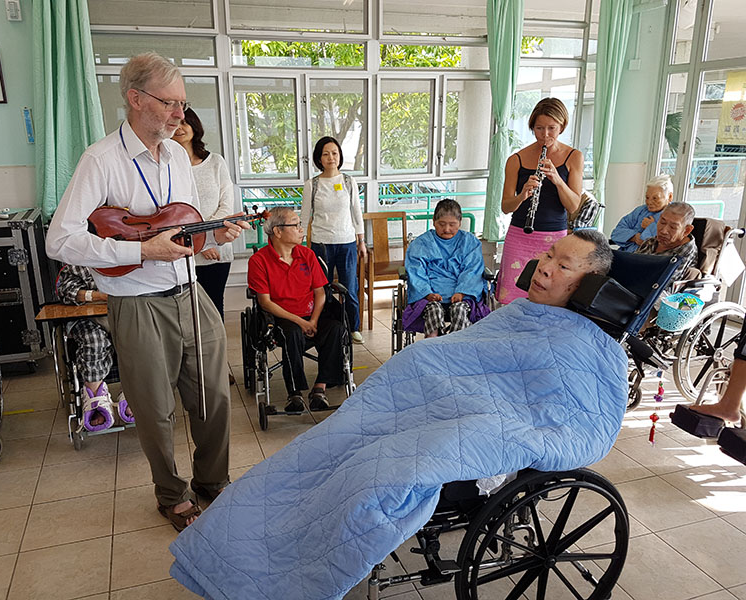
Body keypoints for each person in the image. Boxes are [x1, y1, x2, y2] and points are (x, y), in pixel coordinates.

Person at [170, 230, 625, 600]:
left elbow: (570, 415)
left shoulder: (588, 345)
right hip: (424, 400)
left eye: (563, 265)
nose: (544, 266)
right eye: (548, 254)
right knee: (333, 443)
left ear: (589, 283)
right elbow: (463, 353)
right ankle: (236, 541)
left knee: (373, 477)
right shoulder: (522, 312)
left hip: (480, 425)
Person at [46, 52, 249, 532]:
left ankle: (212, 480)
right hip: (136, 301)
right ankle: (172, 494)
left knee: (214, 398)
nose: (181, 114)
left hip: (190, 291)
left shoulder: (177, 155)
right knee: (155, 410)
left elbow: (183, 228)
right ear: (135, 99)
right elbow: (60, 240)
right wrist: (139, 251)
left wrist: (213, 234)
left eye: (183, 103)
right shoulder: (100, 160)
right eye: (169, 102)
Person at [247, 207, 347, 413]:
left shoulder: (307, 255)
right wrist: (300, 322)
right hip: (280, 317)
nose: (301, 229)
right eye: (296, 225)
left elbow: (320, 292)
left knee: (335, 328)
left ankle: (320, 388)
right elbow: (265, 302)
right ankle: (294, 393)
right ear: (277, 231)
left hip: (312, 314)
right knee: (291, 333)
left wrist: (314, 320)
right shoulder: (259, 261)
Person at [497, 97, 584, 304]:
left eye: (551, 128)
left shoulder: (574, 157)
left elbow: (573, 206)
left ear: (562, 126)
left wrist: (557, 180)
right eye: (539, 128)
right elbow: (506, 207)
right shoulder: (516, 159)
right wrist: (522, 195)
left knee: (549, 297)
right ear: (532, 127)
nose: (545, 135)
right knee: (511, 297)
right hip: (519, 236)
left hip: (554, 239)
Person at [172, 107, 237, 385]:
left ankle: (218, 368)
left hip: (217, 252)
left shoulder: (215, 162)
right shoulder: (167, 166)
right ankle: (192, 371)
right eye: (175, 123)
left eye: (185, 122)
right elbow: (171, 213)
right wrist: (199, 244)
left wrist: (209, 237)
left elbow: (226, 205)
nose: (180, 128)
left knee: (213, 313)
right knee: (186, 316)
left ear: (194, 126)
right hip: (183, 252)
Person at [300, 136, 366, 344]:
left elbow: (356, 212)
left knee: (350, 287)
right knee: (322, 288)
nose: (331, 157)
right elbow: (304, 216)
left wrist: (361, 240)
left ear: (340, 156)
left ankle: (353, 327)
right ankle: (327, 327)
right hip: (321, 244)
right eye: (326, 154)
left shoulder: (348, 182)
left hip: (347, 242)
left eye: (335, 153)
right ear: (319, 158)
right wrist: (299, 243)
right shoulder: (312, 184)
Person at [56, 265, 133, 430]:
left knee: (135, 337)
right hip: (86, 318)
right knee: (94, 341)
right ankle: (95, 394)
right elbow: (66, 291)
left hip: (123, 313)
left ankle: (132, 391)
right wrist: (98, 295)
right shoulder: (78, 262)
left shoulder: (129, 256)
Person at [402, 199, 489, 338]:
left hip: (462, 297)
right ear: (434, 221)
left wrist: (461, 292)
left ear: (460, 223)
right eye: (442, 224)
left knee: (460, 310)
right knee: (433, 310)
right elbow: (416, 271)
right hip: (430, 296)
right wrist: (427, 293)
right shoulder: (422, 243)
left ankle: (456, 344)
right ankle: (431, 343)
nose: (447, 229)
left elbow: (472, 270)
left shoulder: (469, 242)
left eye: (452, 224)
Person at [635, 202, 697, 293]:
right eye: (662, 222)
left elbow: (660, 285)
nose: (663, 231)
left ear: (686, 230)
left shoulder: (683, 252)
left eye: (673, 227)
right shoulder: (650, 242)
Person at [611, 173, 673, 252]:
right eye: (647, 197)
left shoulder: (674, 216)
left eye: (655, 198)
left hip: (647, 257)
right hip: (624, 254)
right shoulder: (641, 210)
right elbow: (616, 233)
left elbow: (666, 242)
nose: (649, 202)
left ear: (670, 197)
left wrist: (651, 226)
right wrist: (634, 237)